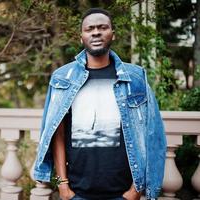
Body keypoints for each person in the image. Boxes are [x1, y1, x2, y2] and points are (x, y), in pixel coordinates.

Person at [34, 8, 167, 200]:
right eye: (90, 29)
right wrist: (63, 185)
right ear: (82, 37)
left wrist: (135, 191)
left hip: (124, 193)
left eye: (102, 27)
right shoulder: (63, 78)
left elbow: (153, 134)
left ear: (113, 34)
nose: (96, 32)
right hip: (77, 193)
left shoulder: (136, 77)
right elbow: (57, 133)